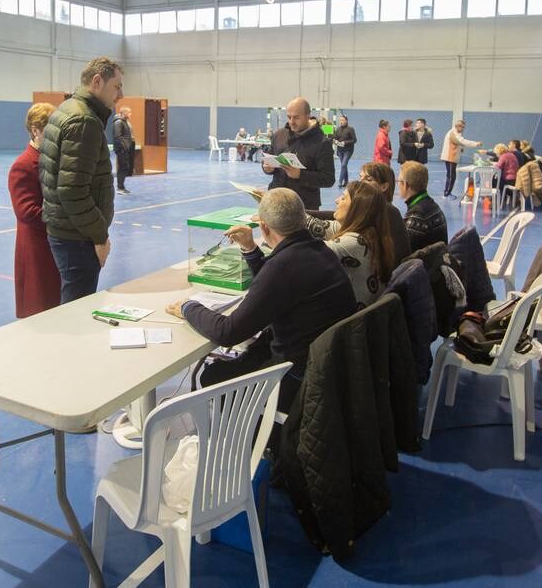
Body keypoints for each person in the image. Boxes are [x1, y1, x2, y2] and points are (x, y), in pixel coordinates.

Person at [165, 188, 356, 412]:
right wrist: (250, 249)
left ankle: (246, 437)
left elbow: (228, 333)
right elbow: (277, 283)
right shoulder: (319, 250)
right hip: (322, 370)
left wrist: (188, 307)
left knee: (213, 376)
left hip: (293, 379)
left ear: (264, 227)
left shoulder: (283, 266)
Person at [40, 57, 124, 303]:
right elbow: (72, 191)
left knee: (73, 305)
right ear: (97, 81)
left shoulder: (67, 109)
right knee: (77, 310)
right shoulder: (84, 120)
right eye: (117, 86)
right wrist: (100, 236)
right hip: (78, 237)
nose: (120, 94)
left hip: (68, 230)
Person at [305, 180, 397, 307]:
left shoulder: (354, 243)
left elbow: (304, 255)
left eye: (343, 198)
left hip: (352, 321)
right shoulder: (369, 231)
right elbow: (313, 224)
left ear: (357, 209)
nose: (337, 200)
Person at [8, 103, 62, 318]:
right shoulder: (23, 164)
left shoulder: (52, 160)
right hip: (36, 247)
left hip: (55, 242)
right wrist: (63, 215)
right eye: (48, 131)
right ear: (35, 130)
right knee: (39, 306)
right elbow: (26, 211)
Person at [263, 97, 334, 209]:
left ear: (308, 116)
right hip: (276, 201)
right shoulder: (278, 135)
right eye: (289, 117)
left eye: (296, 117)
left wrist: (300, 175)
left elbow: (328, 179)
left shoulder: (322, 143)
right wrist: (267, 168)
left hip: (304, 206)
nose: (291, 121)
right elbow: (269, 160)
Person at [358, 161, 412, 262]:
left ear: (384, 187)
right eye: (360, 177)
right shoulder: (371, 208)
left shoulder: (387, 212)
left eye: (368, 179)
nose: (361, 182)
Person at [398, 161, 447, 254]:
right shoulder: (431, 205)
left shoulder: (417, 215)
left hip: (425, 266)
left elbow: (403, 252)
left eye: (398, 182)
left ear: (405, 185)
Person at [441, 119, 481, 199]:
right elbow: (462, 141)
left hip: (452, 157)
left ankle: (447, 192)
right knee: (451, 176)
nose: (462, 129)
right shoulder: (453, 133)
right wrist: (475, 144)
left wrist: (460, 148)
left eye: (463, 127)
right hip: (450, 157)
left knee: (451, 176)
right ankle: (447, 194)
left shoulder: (456, 133)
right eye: (462, 127)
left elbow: (457, 143)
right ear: (457, 126)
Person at [112, 105, 135, 194]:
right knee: (122, 168)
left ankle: (121, 186)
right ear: (124, 113)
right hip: (121, 149)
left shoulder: (124, 122)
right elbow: (118, 136)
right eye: (129, 112)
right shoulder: (118, 122)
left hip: (125, 148)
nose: (130, 114)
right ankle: (120, 188)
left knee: (125, 167)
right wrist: (124, 146)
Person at [332, 114, 356, 188]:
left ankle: (340, 181)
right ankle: (346, 182)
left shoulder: (350, 129)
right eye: (340, 120)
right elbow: (334, 137)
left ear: (346, 121)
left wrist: (344, 143)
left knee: (343, 165)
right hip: (340, 151)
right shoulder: (338, 129)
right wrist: (335, 141)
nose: (341, 122)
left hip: (348, 150)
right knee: (344, 166)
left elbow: (354, 140)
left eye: (342, 120)